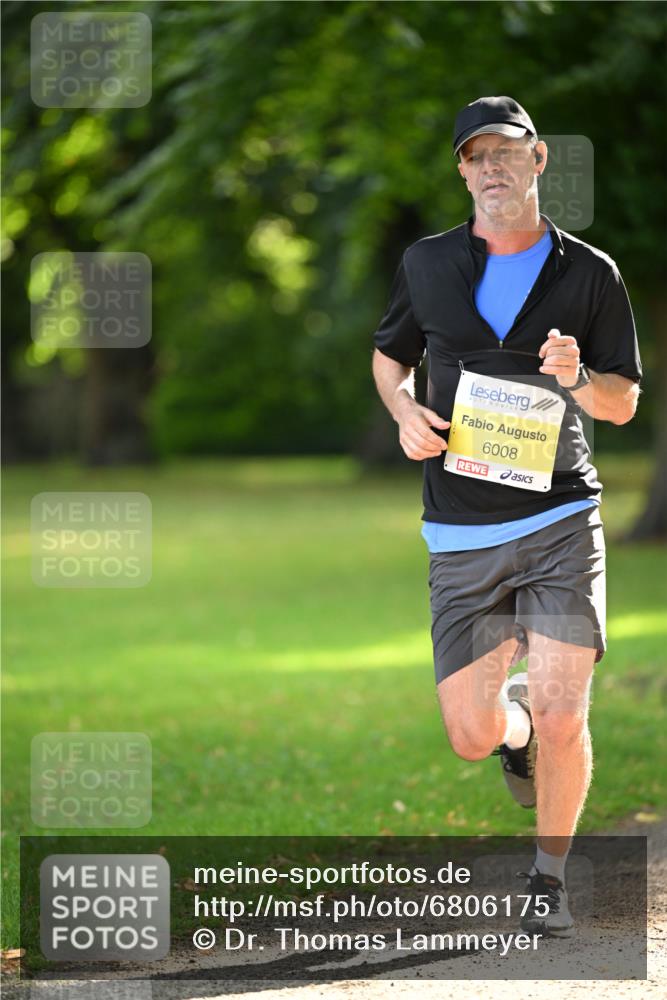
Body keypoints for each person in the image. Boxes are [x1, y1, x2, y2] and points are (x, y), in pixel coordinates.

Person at [371, 96, 642, 938]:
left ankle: (547, 879)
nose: (491, 165)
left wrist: (578, 382)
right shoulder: (425, 264)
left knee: (569, 713)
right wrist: (405, 413)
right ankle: (513, 727)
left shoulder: (589, 273)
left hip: (560, 516)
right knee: (470, 733)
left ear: (537, 161)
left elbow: (624, 402)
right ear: (462, 169)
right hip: (459, 528)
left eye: (507, 151)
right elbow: (390, 359)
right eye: (475, 154)